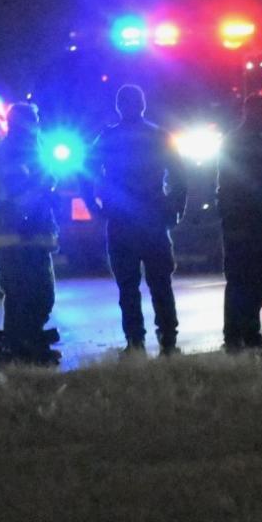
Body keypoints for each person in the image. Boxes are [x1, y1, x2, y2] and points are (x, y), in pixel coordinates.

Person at [86, 84, 188, 356]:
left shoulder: (108, 137)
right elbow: (180, 175)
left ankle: (135, 342)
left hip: (121, 221)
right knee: (160, 284)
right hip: (153, 219)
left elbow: (84, 172)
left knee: (127, 287)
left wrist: (94, 207)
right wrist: (175, 207)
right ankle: (168, 340)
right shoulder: (158, 136)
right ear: (143, 105)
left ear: (119, 106)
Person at [0, 102, 61, 366]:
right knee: (22, 295)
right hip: (16, 238)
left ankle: (24, 343)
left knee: (39, 295)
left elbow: (47, 184)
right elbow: (18, 195)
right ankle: (19, 347)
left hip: (33, 239)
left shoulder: (33, 152)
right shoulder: (9, 155)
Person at [217, 93, 262, 351]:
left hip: (241, 220)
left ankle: (238, 334)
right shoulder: (252, 145)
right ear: (255, 114)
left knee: (243, 280)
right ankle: (245, 335)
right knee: (250, 279)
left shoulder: (234, 142)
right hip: (249, 220)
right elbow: (250, 185)